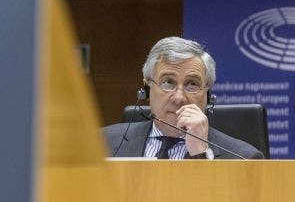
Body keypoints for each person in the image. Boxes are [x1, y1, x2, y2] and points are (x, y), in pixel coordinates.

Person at [103, 37, 264, 159]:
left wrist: (200, 153)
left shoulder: (244, 158)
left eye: (192, 84)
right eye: (168, 82)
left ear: (207, 93)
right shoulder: (101, 144)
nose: (179, 98)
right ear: (146, 88)